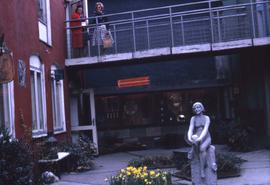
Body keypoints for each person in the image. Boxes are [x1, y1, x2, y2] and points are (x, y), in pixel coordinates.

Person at [187, 102, 211, 178]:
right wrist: (189, 138)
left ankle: (202, 170)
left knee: (202, 148)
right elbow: (190, 129)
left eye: (198, 107)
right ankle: (193, 149)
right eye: (195, 108)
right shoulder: (193, 118)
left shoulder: (207, 118)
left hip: (206, 137)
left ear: (202, 108)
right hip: (197, 137)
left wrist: (200, 138)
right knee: (194, 137)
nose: (197, 109)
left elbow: (205, 129)